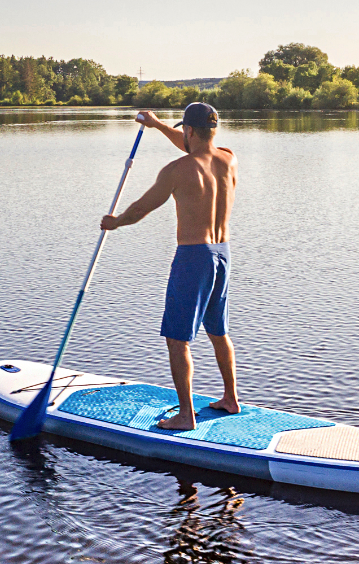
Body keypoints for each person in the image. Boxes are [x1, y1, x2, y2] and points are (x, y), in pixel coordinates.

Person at [100, 102, 240, 431]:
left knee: (178, 340)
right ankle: (231, 398)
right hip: (223, 253)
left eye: (182, 131)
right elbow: (197, 149)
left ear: (188, 130)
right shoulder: (229, 159)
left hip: (193, 256)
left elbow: (141, 209)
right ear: (212, 131)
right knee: (218, 331)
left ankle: (186, 416)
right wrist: (159, 125)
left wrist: (116, 222)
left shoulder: (177, 170)